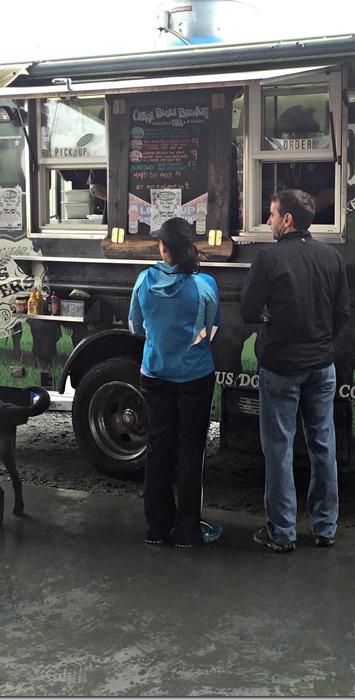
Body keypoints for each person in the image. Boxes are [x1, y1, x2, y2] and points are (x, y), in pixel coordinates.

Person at [240, 188, 350, 552]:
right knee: (323, 446)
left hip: (281, 368)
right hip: (322, 366)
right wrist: (321, 340)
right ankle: (325, 528)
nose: (269, 221)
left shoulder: (268, 259)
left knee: (279, 449)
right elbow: (342, 313)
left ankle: (282, 533)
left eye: (271, 215)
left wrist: (273, 318)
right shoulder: (332, 257)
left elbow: (248, 311)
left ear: (287, 219)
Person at [128, 216, 222, 548]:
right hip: (195, 377)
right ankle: (187, 531)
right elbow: (212, 332)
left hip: (154, 375)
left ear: (163, 247)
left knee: (157, 448)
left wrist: (159, 336)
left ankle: (156, 528)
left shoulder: (143, 281)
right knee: (190, 450)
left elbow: (135, 328)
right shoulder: (205, 284)